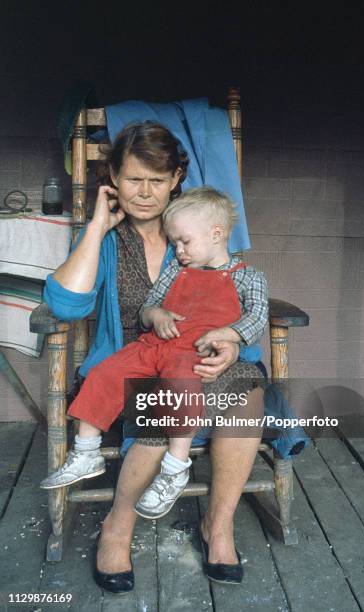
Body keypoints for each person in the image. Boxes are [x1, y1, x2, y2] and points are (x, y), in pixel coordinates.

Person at [42, 122, 266, 592]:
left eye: (157, 180)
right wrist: (98, 224)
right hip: (137, 363)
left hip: (205, 360)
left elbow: (240, 306)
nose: (145, 192)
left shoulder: (195, 232)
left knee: (247, 396)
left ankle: (218, 527)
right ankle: (117, 527)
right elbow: (66, 306)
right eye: (132, 179)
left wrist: (230, 345)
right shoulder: (107, 240)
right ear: (112, 181)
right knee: (161, 402)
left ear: (176, 179)